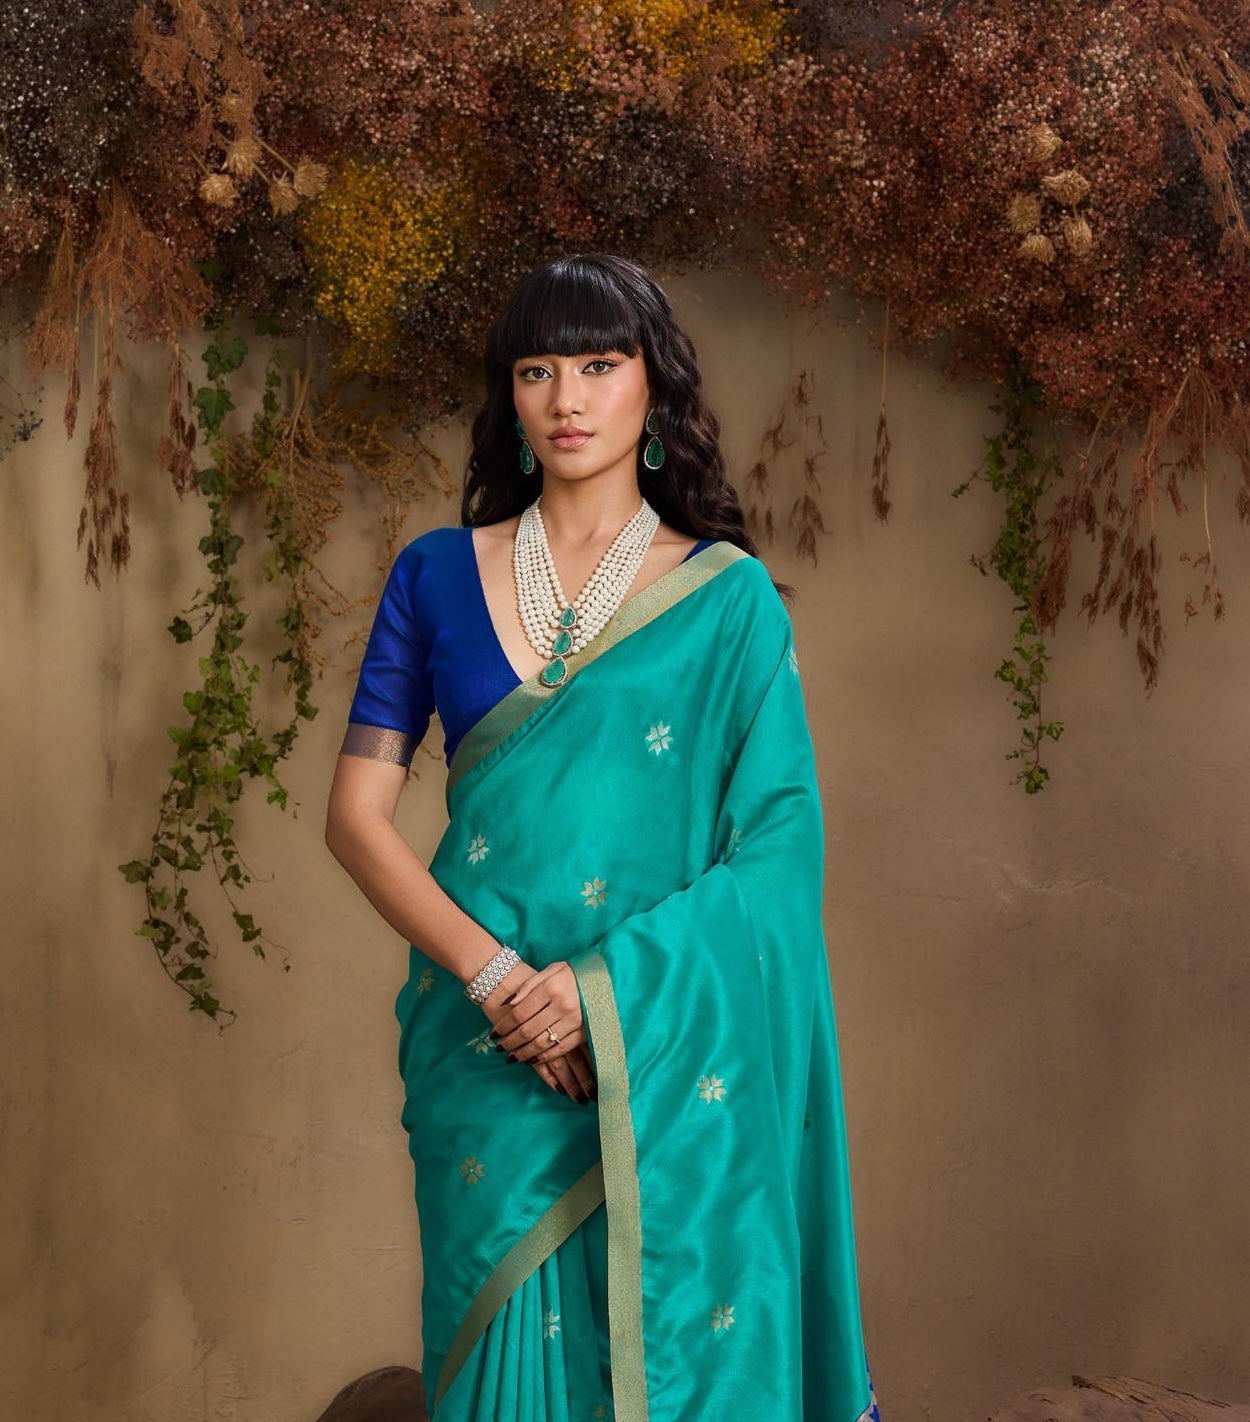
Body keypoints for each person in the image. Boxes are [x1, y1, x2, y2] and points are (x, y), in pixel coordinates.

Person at [324, 252, 878, 1421]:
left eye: (597, 365)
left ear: (652, 386)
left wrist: (597, 995)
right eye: (536, 371)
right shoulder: (435, 574)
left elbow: (777, 852)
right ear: (509, 398)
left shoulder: (724, 599)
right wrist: (498, 983)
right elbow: (355, 820)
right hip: (481, 1044)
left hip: (652, 1043)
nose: (566, 398)